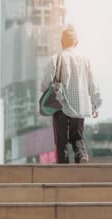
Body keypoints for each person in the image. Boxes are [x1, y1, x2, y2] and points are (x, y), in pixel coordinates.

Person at [41, 24, 102, 164]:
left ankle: (63, 167)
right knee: (78, 137)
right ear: (76, 43)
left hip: (60, 105)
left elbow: (45, 84)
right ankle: (81, 156)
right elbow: (93, 83)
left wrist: (45, 89)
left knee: (61, 141)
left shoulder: (56, 58)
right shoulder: (85, 60)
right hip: (80, 106)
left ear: (62, 43)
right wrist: (95, 105)